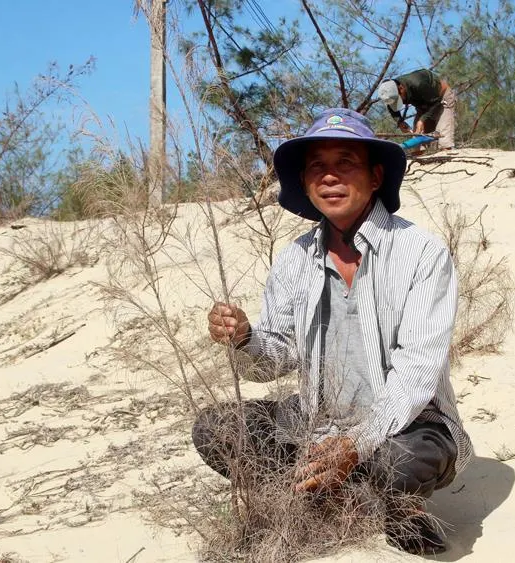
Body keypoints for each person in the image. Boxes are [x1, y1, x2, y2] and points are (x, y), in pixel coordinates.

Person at [194, 108, 472, 555]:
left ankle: (401, 511)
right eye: (317, 167)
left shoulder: (421, 253)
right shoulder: (295, 259)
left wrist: (357, 444)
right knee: (216, 427)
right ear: (304, 182)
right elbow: (276, 358)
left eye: (345, 162)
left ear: (376, 176)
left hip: (404, 427)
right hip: (315, 423)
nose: (329, 177)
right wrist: (246, 337)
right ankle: (327, 491)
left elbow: (417, 372)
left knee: (403, 464)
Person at [376, 69, 456, 150]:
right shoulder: (390, 93)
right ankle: (419, 159)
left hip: (441, 99)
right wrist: (399, 121)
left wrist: (422, 120)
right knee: (417, 142)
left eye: (399, 99)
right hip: (424, 106)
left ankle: (447, 151)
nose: (402, 102)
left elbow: (435, 102)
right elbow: (392, 109)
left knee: (444, 142)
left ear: (401, 89)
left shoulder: (419, 84)